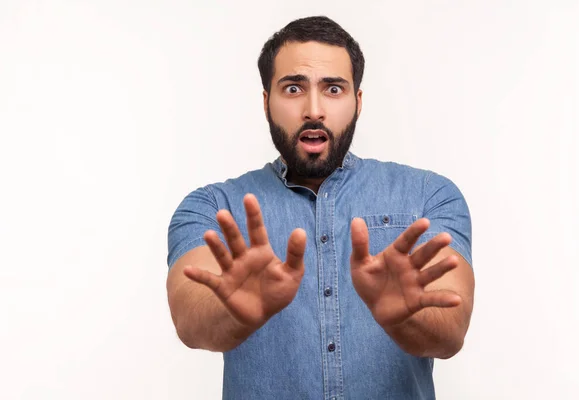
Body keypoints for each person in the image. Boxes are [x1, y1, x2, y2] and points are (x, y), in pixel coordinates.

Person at [166, 15, 474, 400]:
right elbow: (189, 321)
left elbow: (452, 331)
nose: (314, 110)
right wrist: (233, 312)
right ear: (266, 103)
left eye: (333, 89)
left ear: (358, 102)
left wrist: (408, 318)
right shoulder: (212, 207)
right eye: (293, 88)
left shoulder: (429, 196)